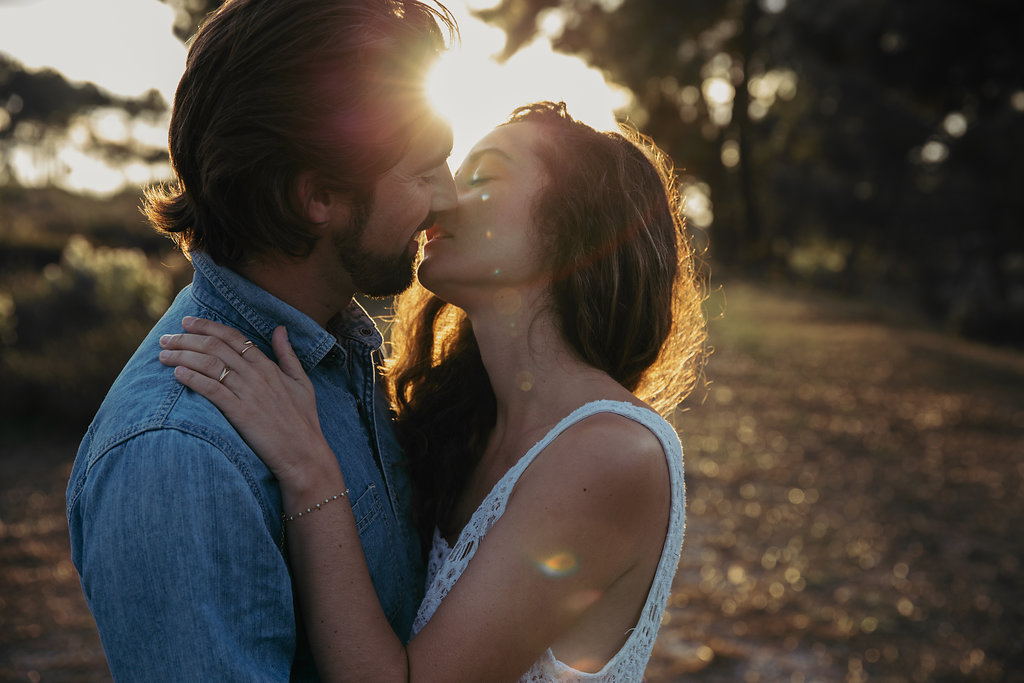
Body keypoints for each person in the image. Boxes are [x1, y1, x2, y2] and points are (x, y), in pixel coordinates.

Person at [158, 101, 708, 681]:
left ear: (577, 227)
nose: (440, 199)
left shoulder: (614, 454)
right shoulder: (462, 426)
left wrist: (307, 469)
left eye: (483, 176)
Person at [66, 0, 457, 678]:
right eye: (424, 173)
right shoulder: (181, 454)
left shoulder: (343, 355)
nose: (448, 199)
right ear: (318, 197)